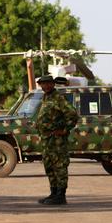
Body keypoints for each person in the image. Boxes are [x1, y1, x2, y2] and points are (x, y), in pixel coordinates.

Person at [34, 75, 78, 205]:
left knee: (60, 166)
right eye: (43, 84)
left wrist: (65, 129)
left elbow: (72, 114)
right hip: (47, 139)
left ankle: (61, 195)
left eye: (48, 83)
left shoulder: (58, 98)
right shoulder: (46, 98)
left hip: (57, 139)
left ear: (53, 84)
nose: (45, 86)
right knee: (49, 166)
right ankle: (53, 193)